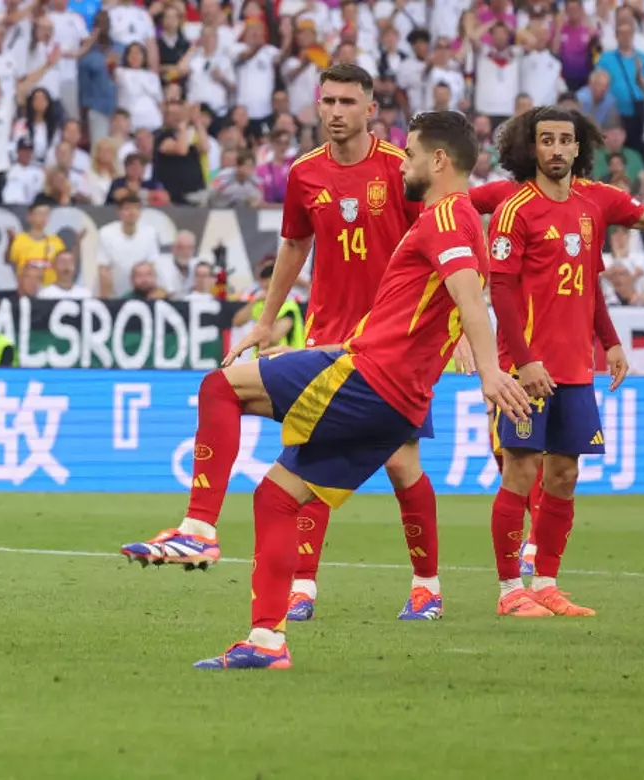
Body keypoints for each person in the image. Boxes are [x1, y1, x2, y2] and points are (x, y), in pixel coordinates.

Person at [189, 110, 531, 669]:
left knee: (220, 387)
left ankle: (199, 527)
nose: (405, 165)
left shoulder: (446, 216)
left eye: (413, 155)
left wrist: (490, 369)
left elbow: (469, 298)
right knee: (276, 496)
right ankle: (267, 640)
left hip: (371, 376)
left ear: (438, 161)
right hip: (383, 381)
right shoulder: (463, 218)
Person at [120, 64, 446, 623]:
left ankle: (426, 586)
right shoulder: (304, 173)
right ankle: (301, 586)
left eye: (348, 101)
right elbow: (294, 245)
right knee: (305, 456)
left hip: (391, 342)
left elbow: (438, 241)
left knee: (401, 463)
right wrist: (267, 321)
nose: (336, 111)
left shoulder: (400, 168)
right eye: (328, 101)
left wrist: (449, 327)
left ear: (371, 110)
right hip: (326, 336)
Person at [486, 106, 644, 618]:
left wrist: (610, 341)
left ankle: (546, 583)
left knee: (564, 474)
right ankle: (509, 591)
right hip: (527, 368)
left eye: (564, 140)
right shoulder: (515, 209)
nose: (556, 149)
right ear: (531, 147)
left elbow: (589, 283)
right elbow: (500, 290)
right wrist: (523, 361)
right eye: (546, 140)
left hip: (573, 368)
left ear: (578, 147)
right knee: (520, 471)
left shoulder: (591, 205)